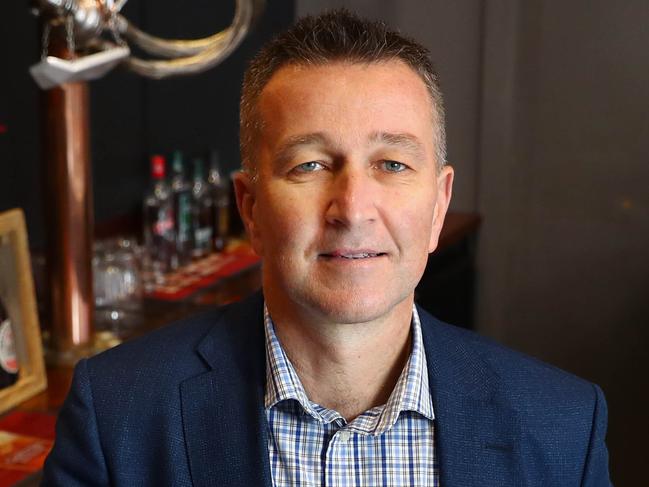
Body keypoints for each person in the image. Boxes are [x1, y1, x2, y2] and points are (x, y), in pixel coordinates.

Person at [42, 9, 611, 487]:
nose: (353, 208)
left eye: (392, 163)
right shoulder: (116, 417)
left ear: (439, 205)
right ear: (251, 208)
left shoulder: (564, 428)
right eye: (310, 164)